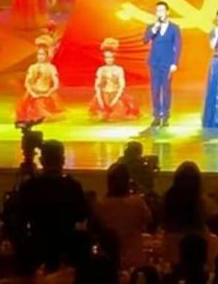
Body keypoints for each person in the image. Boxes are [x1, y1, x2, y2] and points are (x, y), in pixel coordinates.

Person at [16, 139, 89, 272]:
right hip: (66, 251)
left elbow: (18, 218)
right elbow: (82, 216)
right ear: (62, 160)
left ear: (42, 160)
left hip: (37, 248)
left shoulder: (29, 186)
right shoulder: (72, 187)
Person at [93, 160, 152, 270]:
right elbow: (149, 220)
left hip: (108, 260)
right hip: (135, 258)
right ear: (127, 181)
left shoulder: (100, 205)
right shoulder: (137, 203)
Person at [161, 162, 218, 266]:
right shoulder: (202, 201)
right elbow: (214, 212)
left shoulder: (168, 198)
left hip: (172, 243)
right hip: (198, 245)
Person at [144, 1, 182, 127]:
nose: (159, 13)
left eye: (162, 10)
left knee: (166, 90)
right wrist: (154, 29)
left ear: (167, 12)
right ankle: (156, 116)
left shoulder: (174, 28)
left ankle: (165, 116)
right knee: (155, 90)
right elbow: (145, 40)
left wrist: (174, 63)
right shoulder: (152, 27)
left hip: (167, 63)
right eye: (157, 10)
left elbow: (178, 46)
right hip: (154, 63)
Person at [15, 34, 64, 122]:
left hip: (46, 92)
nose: (40, 56)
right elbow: (28, 82)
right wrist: (33, 92)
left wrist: (48, 92)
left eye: (42, 54)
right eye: (39, 54)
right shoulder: (33, 67)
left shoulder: (51, 67)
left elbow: (55, 83)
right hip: (34, 92)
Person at [89, 37, 141, 122]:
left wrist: (115, 100)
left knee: (116, 115)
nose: (109, 60)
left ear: (114, 57)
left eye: (110, 57)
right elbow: (97, 87)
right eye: (107, 57)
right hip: (104, 95)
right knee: (100, 116)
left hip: (116, 95)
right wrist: (100, 100)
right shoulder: (101, 70)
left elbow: (121, 86)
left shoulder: (119, 69)